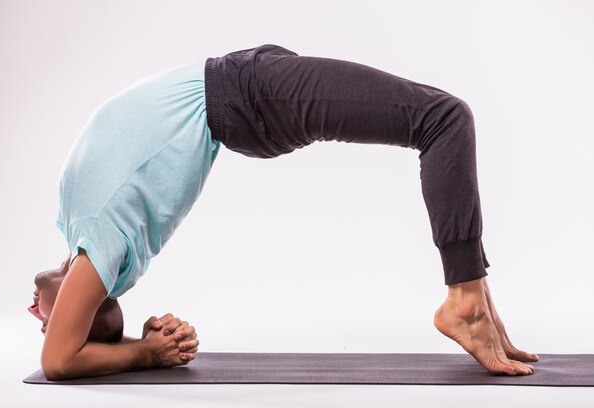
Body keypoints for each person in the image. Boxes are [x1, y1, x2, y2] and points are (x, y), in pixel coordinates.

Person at [29, 44, 538, 380]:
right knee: (444, 119)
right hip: (248, 95)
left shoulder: (75, 220)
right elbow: (58, 361)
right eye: (49, 320)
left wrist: (142, 344)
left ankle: (478, 302)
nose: (34, 309)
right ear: (87, 301)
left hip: (244, 87)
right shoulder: (104, 245)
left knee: (440, 118)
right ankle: (466, 304)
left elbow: (67, 344)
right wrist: (144, 352)